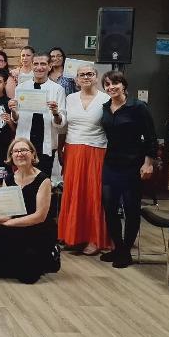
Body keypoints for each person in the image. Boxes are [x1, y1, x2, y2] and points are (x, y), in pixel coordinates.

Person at [100, 70, 158, 269]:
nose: (111, 87)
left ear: (123, 84)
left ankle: (125, 252)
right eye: (107, 84)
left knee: (131, 209)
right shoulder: (106, 107)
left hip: (133, 163)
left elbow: (151, 137)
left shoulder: (138, 107)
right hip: (110, 163)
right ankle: (118, 247)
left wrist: (148, 163)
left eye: (115, 83)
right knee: (109, 207)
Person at [0, 138, 59, 284]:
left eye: (24, 150)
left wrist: (10, 223)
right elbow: (6, 213)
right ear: (11, 156)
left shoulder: (44, 180)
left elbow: (39, 216)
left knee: (27, 278)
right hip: (16, 227)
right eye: (16, 151)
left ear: (32, 154)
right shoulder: (8, 179)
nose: (20, 154)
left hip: (37, 229)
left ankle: (49, 255)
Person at [58, 65, 111, 256]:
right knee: (73, 194)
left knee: (93, 195)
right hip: (73, 148)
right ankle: (73, 236)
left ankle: (94, 238)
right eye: (82, 75)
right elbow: (62, 125)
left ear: (96, 77)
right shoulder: (70, 98)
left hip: (97, 150)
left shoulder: (106, 98)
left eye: (90, 74)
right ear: (77, 79)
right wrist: (61, 147)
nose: (86, 77)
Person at [9, 53, 66, 179]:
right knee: (22, 179)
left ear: (50, 66)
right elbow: (16, 118)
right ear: (31, 65)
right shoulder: (21, 88)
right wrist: (13, 111)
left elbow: (61, 122)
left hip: (45, 144)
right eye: (36, 64)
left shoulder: (57, 89)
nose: (39, 67)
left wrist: (56, 113)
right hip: (24, 143)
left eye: (43, 64)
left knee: (43, 181)